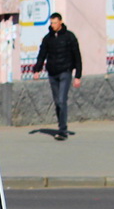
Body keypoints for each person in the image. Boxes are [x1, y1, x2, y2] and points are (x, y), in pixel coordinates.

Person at [32, 12, 82, 141]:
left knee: (61, 100)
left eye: (55, 23)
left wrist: (78, 75)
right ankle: (61, 127)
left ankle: (63, 130)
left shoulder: (69, 37)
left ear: (60, 22)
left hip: (65, 71)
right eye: (51, 23)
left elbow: (77, 56)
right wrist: (37, 70)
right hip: (52, 73)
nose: (53, 25)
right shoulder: (48, 38)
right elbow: (42, 54)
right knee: (57, 102)